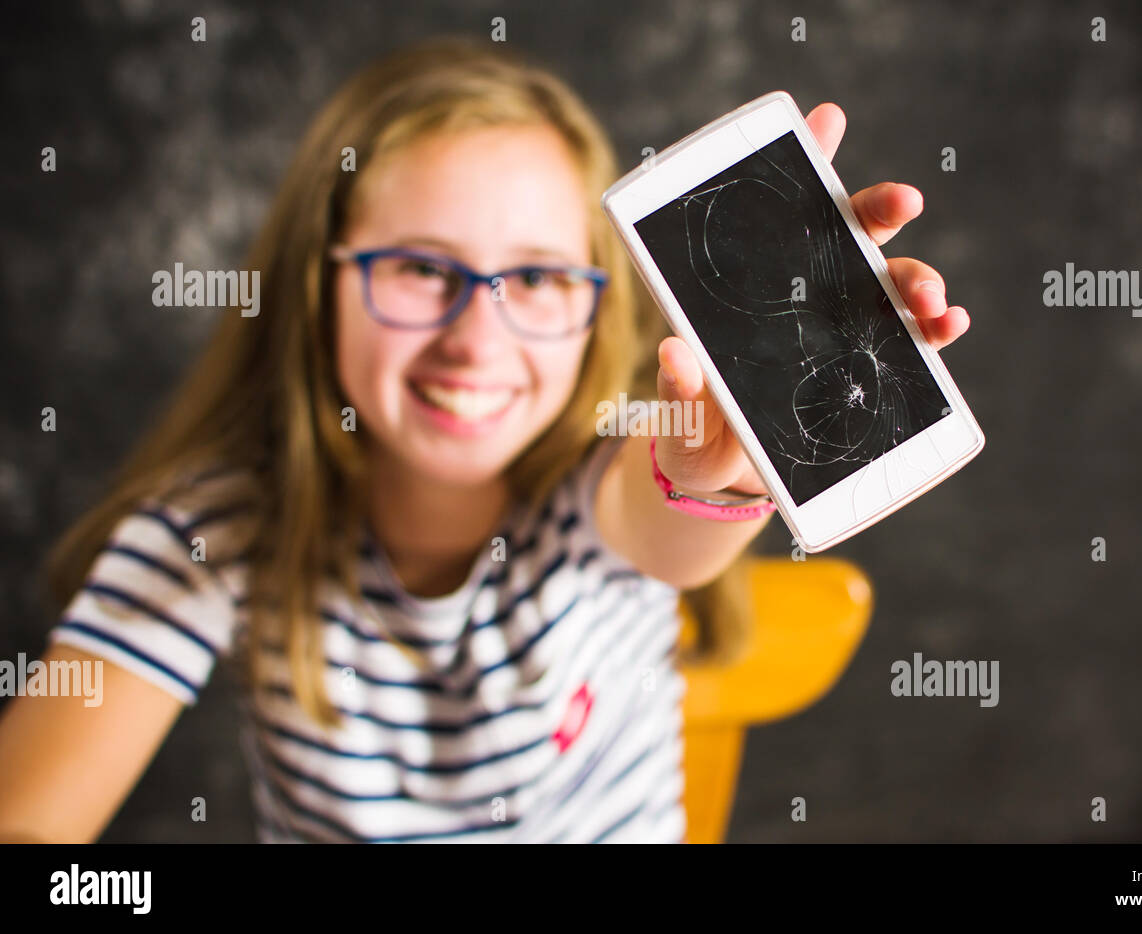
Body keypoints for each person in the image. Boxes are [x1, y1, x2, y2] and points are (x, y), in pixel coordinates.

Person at [0, 36, 969, 843]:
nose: (476, 339)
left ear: (596, 311)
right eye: (422, 268)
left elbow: (659, 515)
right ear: (318, 279)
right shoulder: (221, 528)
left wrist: (709, 468)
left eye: (539, 280)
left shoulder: (598, 476)